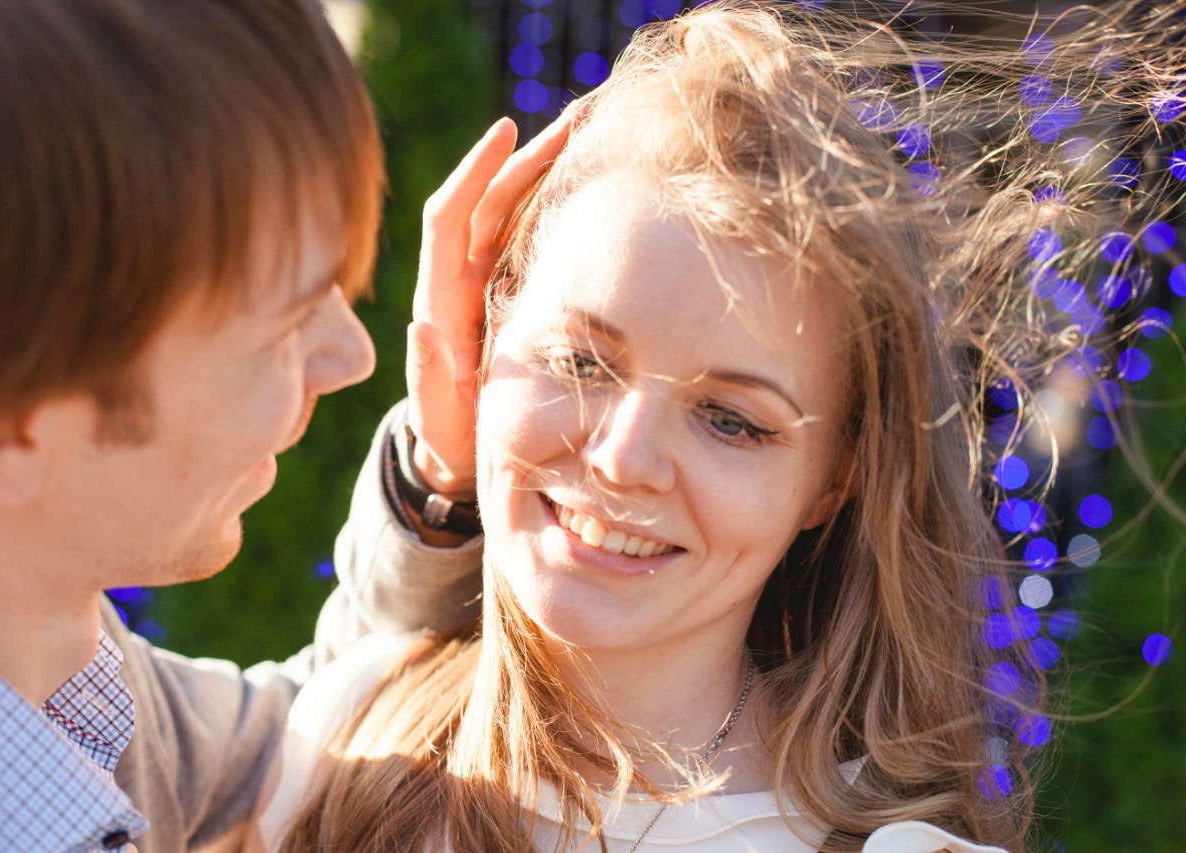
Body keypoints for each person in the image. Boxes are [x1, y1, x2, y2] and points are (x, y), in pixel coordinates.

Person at [254, 1, 1186, 851]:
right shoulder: (336, 729)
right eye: (580, 362)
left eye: (731, 421)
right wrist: (437, 471)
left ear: (834, 479)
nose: (624, 459)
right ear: (485, 334)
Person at [0, 1, 488, 851]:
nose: (355, 356)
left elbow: (328, 717)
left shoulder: (66, 696)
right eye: (286, 324)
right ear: (3, 424)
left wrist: (438, 478)